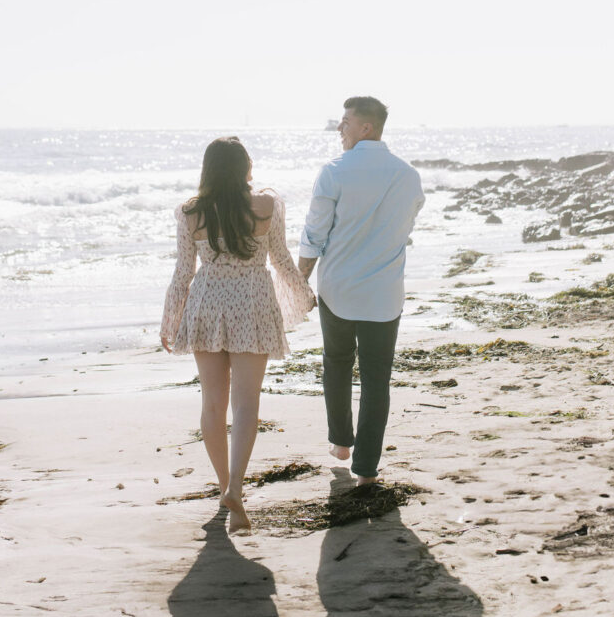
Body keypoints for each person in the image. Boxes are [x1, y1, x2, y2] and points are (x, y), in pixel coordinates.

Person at [160, 137, 315, 534]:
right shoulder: (267, 206)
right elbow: (280, 258)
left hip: (207, 302)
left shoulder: (189, 212)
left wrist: (170, 319)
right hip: (252, 301)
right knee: (246, 405)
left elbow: (182, 273)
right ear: (244, 167)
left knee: (213, 404)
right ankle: (235, 489)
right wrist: (303, 294)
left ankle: (222, 486)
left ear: (208, 171)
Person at [298, 97, 424, 485]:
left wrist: (299, 279)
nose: (340, 128)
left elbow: (315, 232)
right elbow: (409, 220)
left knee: (336, 362)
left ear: (365, 128)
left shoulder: (334, 171)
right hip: (384, 293)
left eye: (345, 122)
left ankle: (340, 441)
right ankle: (366, 466)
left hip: (338, 289)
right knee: (376, 379)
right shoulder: (407, 175)